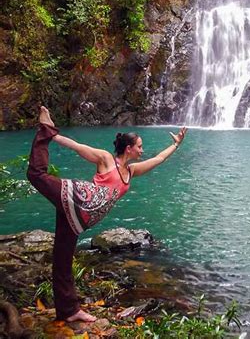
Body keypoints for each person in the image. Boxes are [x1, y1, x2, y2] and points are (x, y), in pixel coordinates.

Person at [27, 106, 187, 323]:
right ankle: (45, 127)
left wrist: (176, 144)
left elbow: (159, 159)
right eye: (139, 146)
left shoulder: (131, 171)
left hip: (79, 219)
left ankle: (68, 310)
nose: (142, 150)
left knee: (62, 260)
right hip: (75, 198)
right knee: (36, 174)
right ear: (129, 148)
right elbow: (77, 146)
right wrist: (52, 133)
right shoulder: (105, 159)